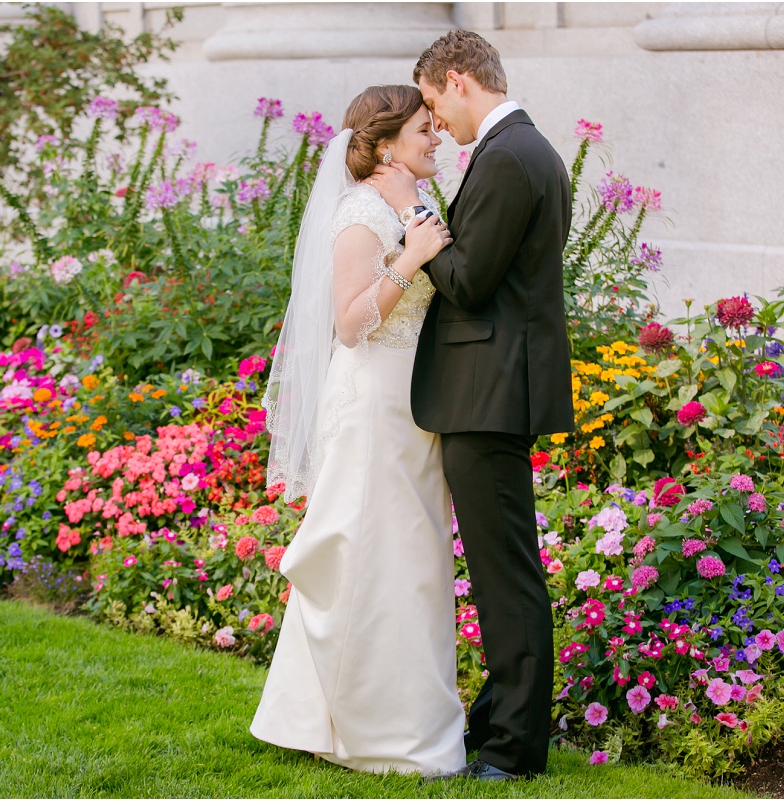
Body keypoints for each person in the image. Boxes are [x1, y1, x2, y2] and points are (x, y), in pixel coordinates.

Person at [369, 30, 575, 781]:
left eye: (431, 103)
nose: (436, 123)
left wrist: (413, 212)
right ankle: (497, 719)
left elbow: (471, 280)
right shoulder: (524, 151)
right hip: (492, 386)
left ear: (458, 81)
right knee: (500, 571)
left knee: (505, 575)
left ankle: (514, 750)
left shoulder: (511, 156)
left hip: (488, 392)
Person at [250, 85, 465, 777]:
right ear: (383, 146)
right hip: (374, 397)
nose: (436, 140)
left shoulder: (408, 205)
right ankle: (374, 733)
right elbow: (348, 322)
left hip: (412, 400)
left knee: (412, 559)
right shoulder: (361, 211)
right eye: (423, 131)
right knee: (372, 554)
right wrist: (408, 259)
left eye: (436, 128)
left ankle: (386, 720)